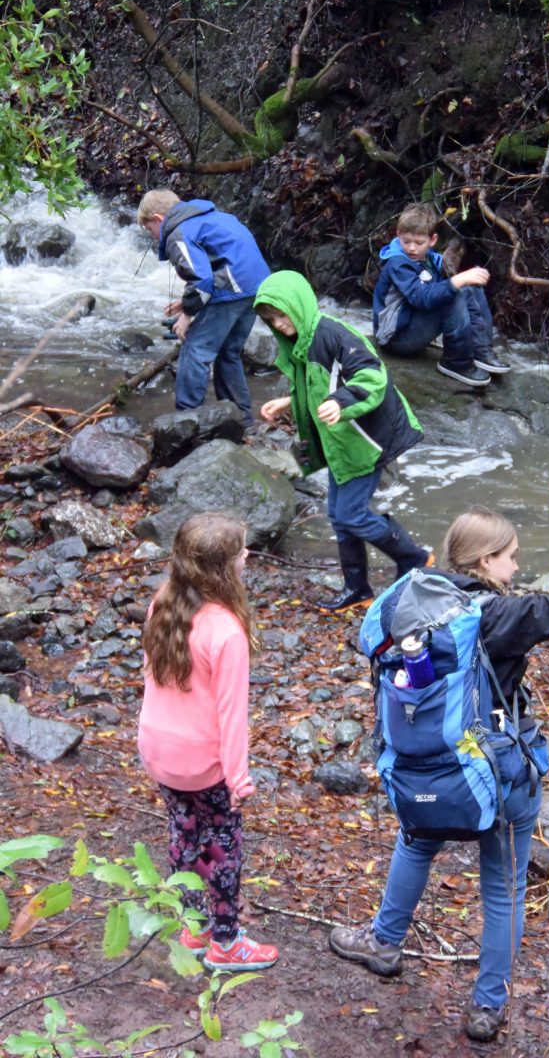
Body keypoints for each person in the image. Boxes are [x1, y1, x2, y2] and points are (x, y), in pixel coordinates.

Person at [329, 465, 549, 1042]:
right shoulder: (497, 616)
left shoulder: (414, 600)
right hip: (496, 778)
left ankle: (383, 942)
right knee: (503, 889)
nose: (517, 567)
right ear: (484, 562)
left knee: (417, 841)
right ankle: (486, 1008)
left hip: (428, 764)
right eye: (511, 557)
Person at [138, 513, 279, 973]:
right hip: (203, 763)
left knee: (184, 834)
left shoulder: (163, 602)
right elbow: (231, 715)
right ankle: (225, 941)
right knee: (222, 846)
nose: (248, 556)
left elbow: (151, 679)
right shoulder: (225, 631)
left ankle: (193, 924)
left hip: (160, 752)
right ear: (223, 568)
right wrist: (238, 779)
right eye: (242, 551)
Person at [255, 270, 433, 613]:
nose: (278, 324)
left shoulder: (334, 335)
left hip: (367, 438)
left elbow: (371, 375)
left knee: (350, 515)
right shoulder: (301, 342)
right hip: (340, 443)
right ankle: (357, 587)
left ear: (300, 305)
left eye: (282, 315)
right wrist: (289, 402)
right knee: (339, 515)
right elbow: (315, 385)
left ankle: (414, 557)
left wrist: (341, 402)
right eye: (270, 320)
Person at [137, 189, 270, 424]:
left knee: (195, 350)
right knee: (228, 353)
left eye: (150, 230)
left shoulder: (178, 232)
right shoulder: (213, 217)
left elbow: (202, 280)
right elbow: (216, 268)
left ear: (159, 219)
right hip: (258, 286)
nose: (154, 237)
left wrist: (187, 315)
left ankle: (186, 419)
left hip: (233, 287)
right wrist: (186, 302)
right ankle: (242, 419)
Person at [372, 202, 510, 389]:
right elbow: (422, 298)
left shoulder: (430, 259)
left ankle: (481, 349)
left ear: (432, 240)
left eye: (419, 243)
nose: (412, 248)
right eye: (406, 241)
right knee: (454, 293)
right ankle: (455, 362)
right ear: (398, 236)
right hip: (395, 338)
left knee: (468, 286)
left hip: (413, 325)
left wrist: (466, 278)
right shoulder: (398, 263)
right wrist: (456, 281)